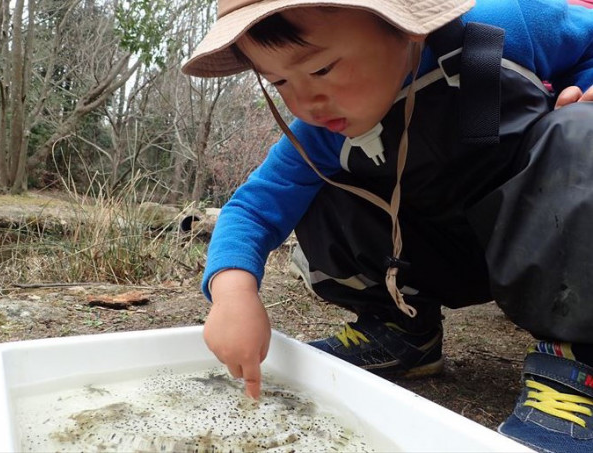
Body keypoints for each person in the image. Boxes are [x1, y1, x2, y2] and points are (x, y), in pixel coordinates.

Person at [182, 0, 593, 451]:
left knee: (583, 130)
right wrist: (232, 292)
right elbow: (253, 209)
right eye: (279, 81)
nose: (305, 101)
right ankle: (402, 331)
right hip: (425, 256)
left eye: (320, 69)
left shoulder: (505, 29)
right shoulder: (319, 132)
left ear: (406, 25)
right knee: (313, 188)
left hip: (545, 239)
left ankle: (576, 360)